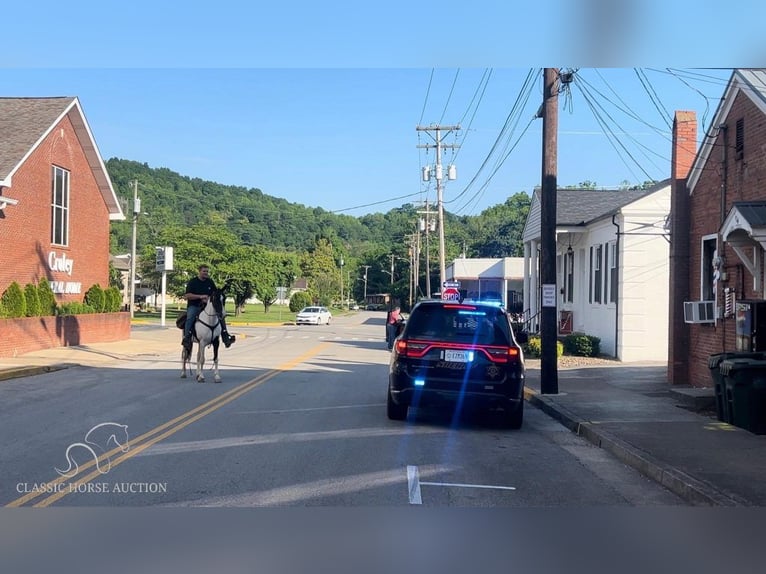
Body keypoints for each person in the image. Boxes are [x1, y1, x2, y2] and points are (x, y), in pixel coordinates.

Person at [182, 264, 236, 349]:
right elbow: (187, 295)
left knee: (220, 316)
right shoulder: (193, 282)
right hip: (194, 305)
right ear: (199, 271)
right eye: (204, 271)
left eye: (207, 271)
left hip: (207, 305)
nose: (206, 273)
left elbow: (214, 294)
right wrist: (200, 297)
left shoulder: (210, 282)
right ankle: (187, 338)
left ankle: (225, 336)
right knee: (190, 317)